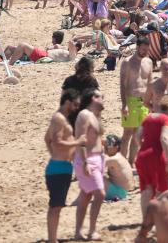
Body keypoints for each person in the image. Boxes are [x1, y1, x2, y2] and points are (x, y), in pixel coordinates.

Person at [44, 89, 84, 243]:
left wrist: (54, 154)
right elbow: (57, 141)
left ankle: (52, 239)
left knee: (58, 206)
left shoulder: (61, 118)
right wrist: (78, 142)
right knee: (55, 206)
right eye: (75, 104)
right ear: (67, 102)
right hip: (58, 168)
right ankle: (52, 240)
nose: (76, 108)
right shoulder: (59, 119)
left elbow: (47, 139)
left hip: (61, 167)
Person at [135, 95, 168, 215]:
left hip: (142, 156)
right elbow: (164, 138)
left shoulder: (147, 117)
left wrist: (143, 147)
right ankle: (161, 217)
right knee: (163, 189)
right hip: (158, 157)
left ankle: (146, 219)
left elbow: (137, 136)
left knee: (146, 189)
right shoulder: (166, 119)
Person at [74, 89, 106, 241]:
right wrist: (85, 161)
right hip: (88, 159)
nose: (103, 99)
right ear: (93, 98)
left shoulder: (95, 115)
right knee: (100, 194)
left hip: (97, 158)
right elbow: (81, 139)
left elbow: (96, 138)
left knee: (85, 196)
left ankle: (78, 231)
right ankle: (92, 230)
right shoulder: (85, 115)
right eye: (101, 96)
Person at [119, 37, 152, 163]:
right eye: (143, 49)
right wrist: (124, 104)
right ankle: (121, 162)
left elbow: (149, 83)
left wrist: (150, 103)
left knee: (138, 134)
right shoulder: (127, 62)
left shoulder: (148, 62)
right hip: (131, 100)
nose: (145, 52)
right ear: (137, 47)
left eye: (147, 50)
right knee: (127, 133)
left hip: (144, 102)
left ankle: (131, 162)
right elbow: (123, 84)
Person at [103, 135, 133, 202]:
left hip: (119, 193)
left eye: (108, 146)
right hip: (122, 192)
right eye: (105, 146)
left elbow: (95, 165)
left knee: (94, 175)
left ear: (116, 147)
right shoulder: (119, 156)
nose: (106, 148)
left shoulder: (114, 159)